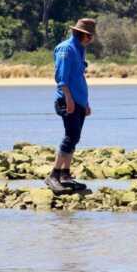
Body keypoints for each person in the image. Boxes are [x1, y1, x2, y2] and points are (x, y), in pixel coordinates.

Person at [45, 18, 95, 193]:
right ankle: (54, 175)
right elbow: (61, 77)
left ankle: (65, 175)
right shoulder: (66, 48)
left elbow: (79, 77)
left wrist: (85, 103)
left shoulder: (79, 49)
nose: (91, 39)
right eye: (90, 36)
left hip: (78, 101)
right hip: (68, 100)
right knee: (70, 137)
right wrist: (69, 99)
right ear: (83, 34)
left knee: (74, 138)